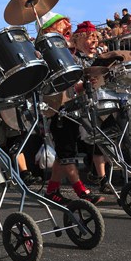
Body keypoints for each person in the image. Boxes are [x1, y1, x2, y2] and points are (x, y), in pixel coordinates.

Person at [42, 20, 105, 204]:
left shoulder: (69, 54)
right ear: (49, 30)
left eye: (69, 26)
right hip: (57, 109)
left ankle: (51, 190)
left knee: (64, 153)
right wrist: (77, 88)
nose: (67, 28)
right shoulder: (46, 53)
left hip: (73, 107)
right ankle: (81, 191)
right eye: (62, 25)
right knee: (67, 151)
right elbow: (54, 86)